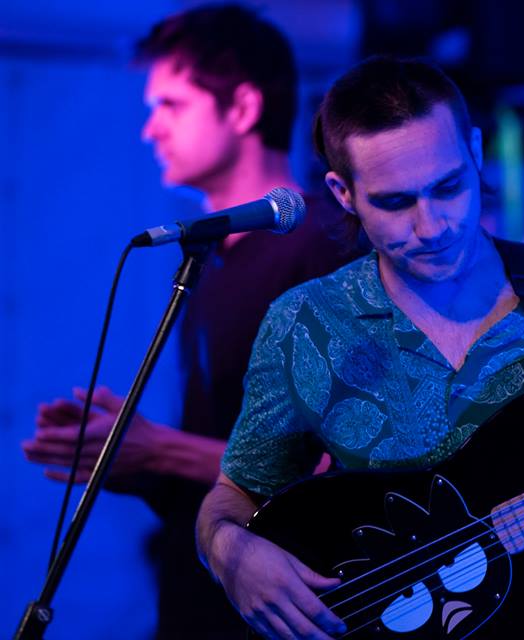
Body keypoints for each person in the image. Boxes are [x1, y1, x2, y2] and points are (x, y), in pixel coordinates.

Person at [195, 55, 524, 639]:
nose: (432, 226)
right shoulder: (305, 323)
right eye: (395, 202)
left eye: (449, 187)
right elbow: (236, 492)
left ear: (473, 150)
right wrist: (229, 552)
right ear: (343, 193)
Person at [21, 5, 366, 638]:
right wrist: (131, 457)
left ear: (243, 107)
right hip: (201, 595)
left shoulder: (323, 247)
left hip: (285, 610)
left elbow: (348, 468)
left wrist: (163, 448)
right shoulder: (208, 256)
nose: (151, 129)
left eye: (172, 105)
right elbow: (231, 445)